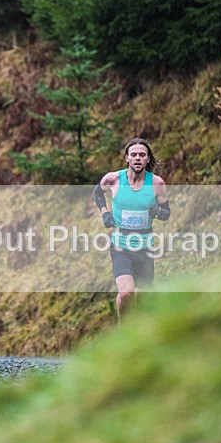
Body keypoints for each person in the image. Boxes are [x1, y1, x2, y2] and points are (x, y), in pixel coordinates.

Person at [93, 137, 169, 321]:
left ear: (148, 159)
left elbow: (166, 213)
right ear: (126, 158)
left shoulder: (157, 184)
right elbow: (97, 193)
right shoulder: (113, 179)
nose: (137, 158)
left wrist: (157, 211)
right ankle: (123, 331)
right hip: (121, 247)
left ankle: (137, 336)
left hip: (145, 248)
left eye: (142, 155)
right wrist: (105, 213)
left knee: (142, 298)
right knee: (127, 294)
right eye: (133, 154)